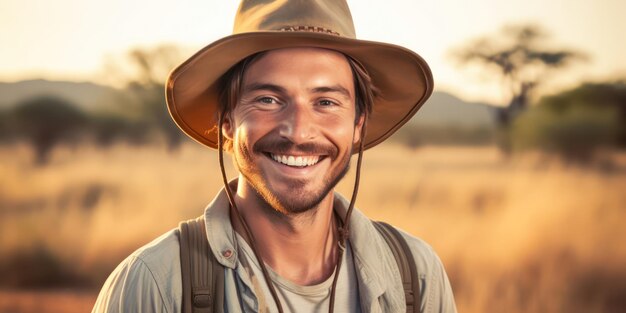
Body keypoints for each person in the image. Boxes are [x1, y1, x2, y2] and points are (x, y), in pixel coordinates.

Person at [92, 0, 457, 312]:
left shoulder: (414, 274)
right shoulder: (157, 282)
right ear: (227, 122)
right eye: (268, 99)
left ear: (358, 124)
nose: (298, 132)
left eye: (326, 102)